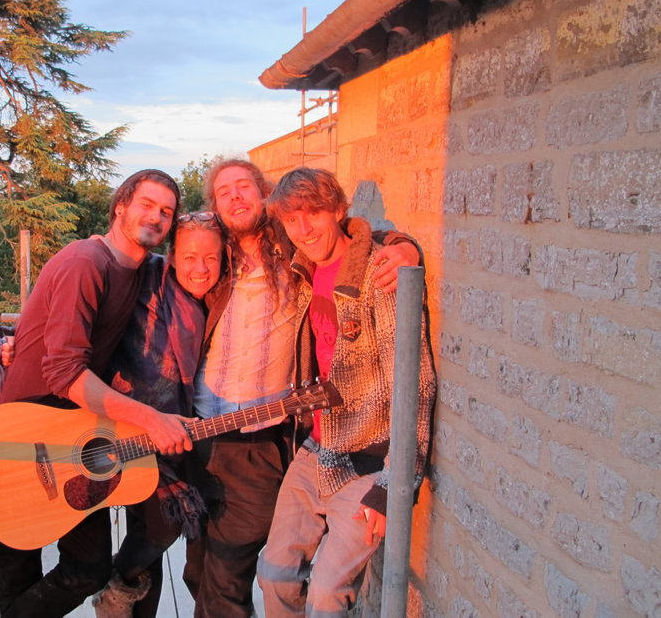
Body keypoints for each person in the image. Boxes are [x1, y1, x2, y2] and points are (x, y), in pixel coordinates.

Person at [182, 158, 421, 618]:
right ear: (214, 207)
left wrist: (404, 247)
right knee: (199, 570)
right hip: (200, 435)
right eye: (223, 191)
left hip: (260, 439)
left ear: (263, 196)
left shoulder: (291, 255)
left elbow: (352, 235)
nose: (235, 196)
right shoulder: (214, 261)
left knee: (231, 577)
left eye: (244, 186)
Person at [0, 169, 194, 618]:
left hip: (71, 433)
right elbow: (64, 371)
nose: (156, 217)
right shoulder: (86, 263)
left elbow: (209, 259)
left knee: (89, 567)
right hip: (21, 433)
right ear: (121, 205)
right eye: (147, 204)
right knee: (19, 564)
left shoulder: (140, 269)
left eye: (166, 212)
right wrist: (152, 420)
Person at [256, 167, 437, 616]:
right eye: (291, 219)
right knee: (274, 573)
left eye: (313, 213)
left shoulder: (381, 273)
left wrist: (394, 484)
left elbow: (415, 383)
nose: (303, 229)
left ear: (338, 209)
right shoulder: (303, 272)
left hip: (366, 464)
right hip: (315, 450)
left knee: (326, 597)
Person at [90, 211, 227, 617]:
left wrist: (397, 244)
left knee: (148, 532)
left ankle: (121, 595)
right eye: (189, 257)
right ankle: (114, 590)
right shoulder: (144, 278)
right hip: (126, 420)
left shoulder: (219, 297)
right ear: (171, 256)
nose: (200, 269)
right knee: (158, 526)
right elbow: (80, 294)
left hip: (178, 432)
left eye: (212, 258)